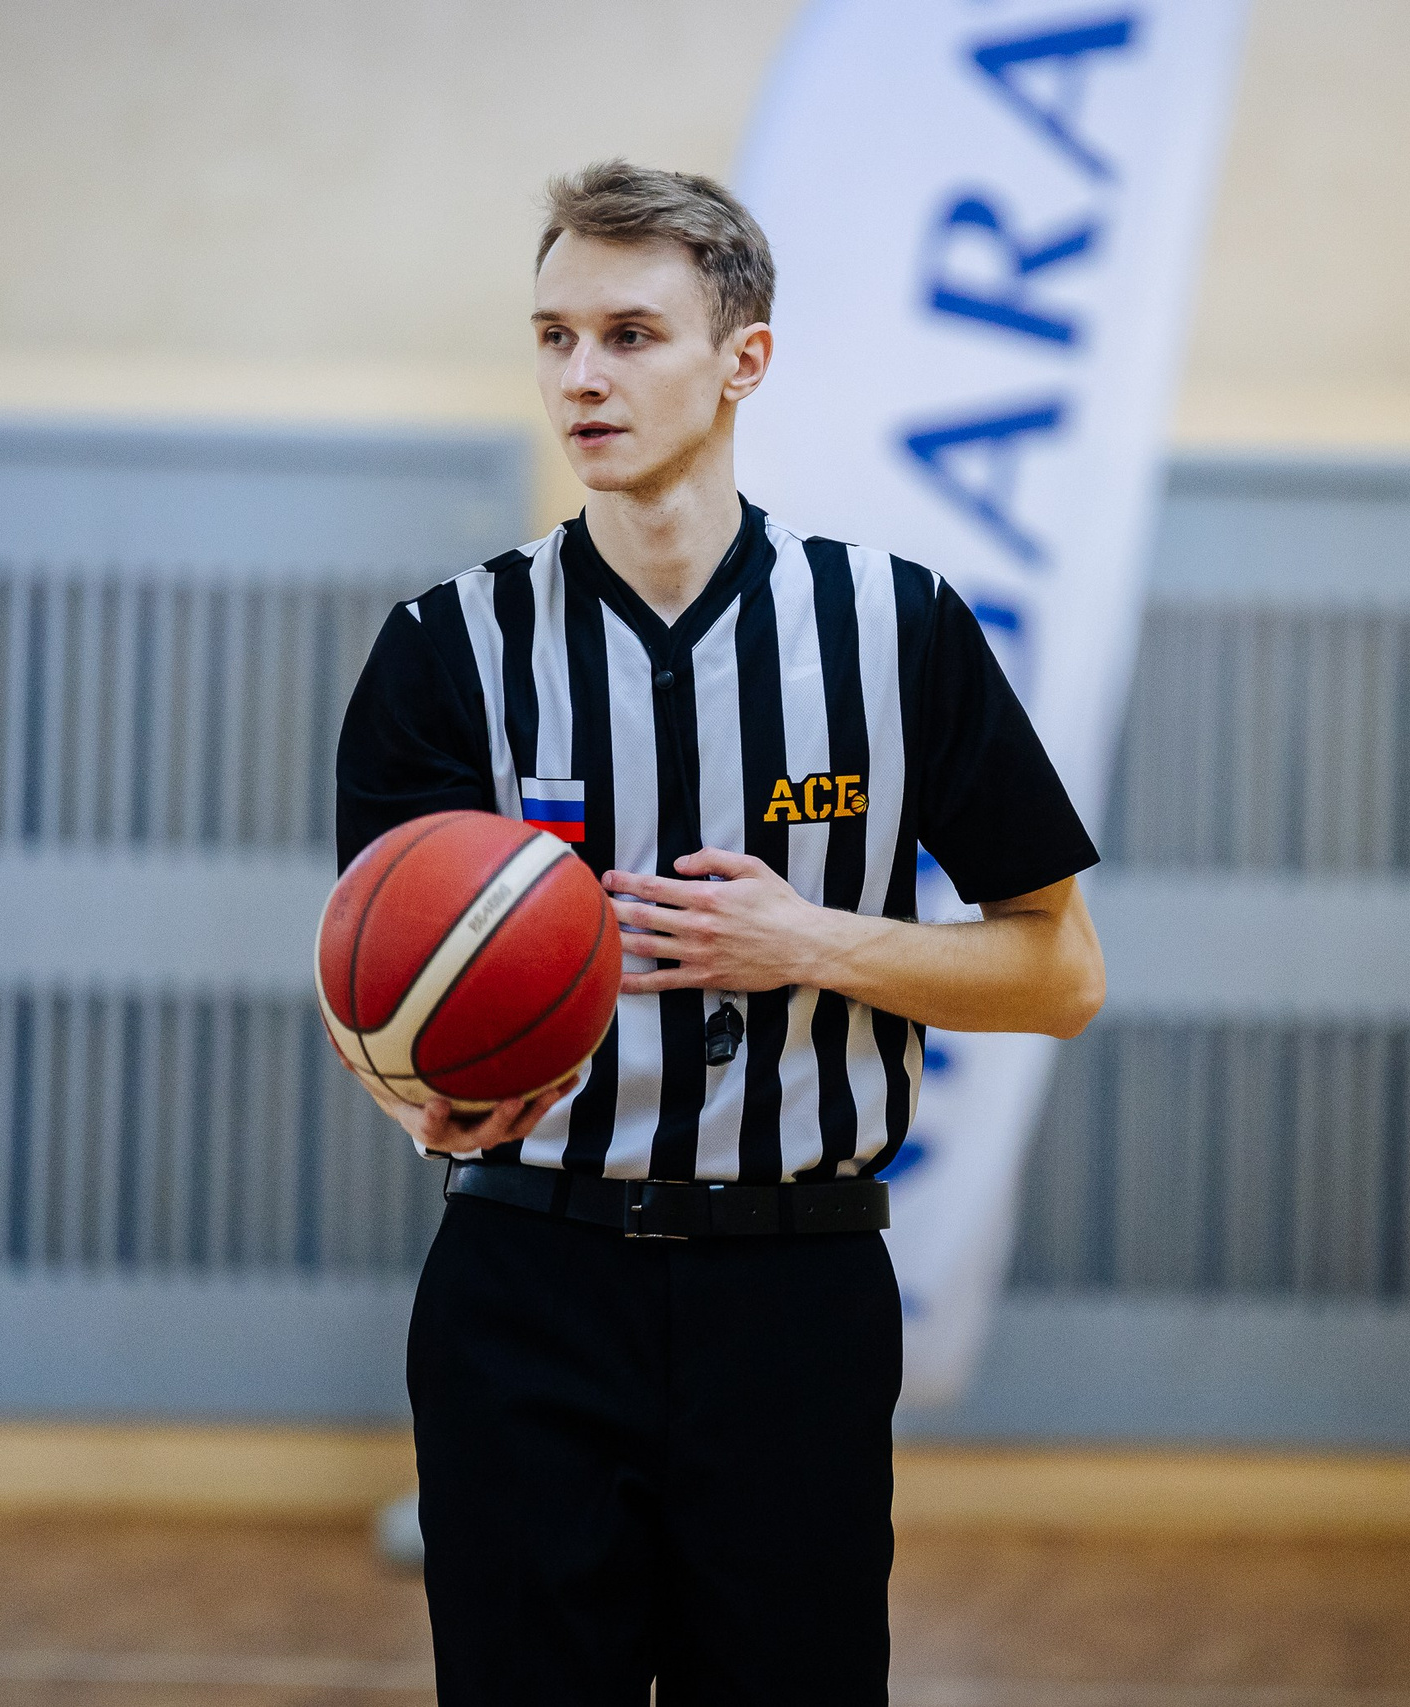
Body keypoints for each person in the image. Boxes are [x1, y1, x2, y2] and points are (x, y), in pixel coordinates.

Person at [332, 159, 1106, 1705]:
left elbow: (1061, 970)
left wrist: (806, 942)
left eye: (630, 333)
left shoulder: (900, 629)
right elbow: (381, 994)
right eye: (555, 336)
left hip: (792, 1294)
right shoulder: (447, 645)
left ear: (742, 359)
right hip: (526, 1279)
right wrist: (425, 1086)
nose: (582, 376)